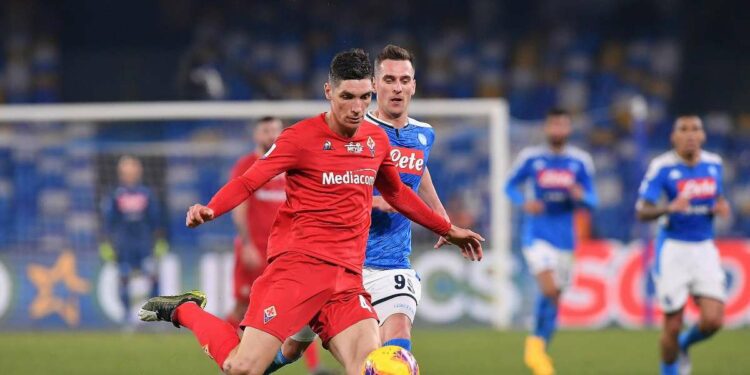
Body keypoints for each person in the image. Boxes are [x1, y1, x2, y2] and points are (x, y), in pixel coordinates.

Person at [138, 49, 483, 375]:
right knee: (240, 367)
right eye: (348, 96)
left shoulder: (374, 142)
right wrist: (211, 208)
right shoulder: (300, 138)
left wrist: (448, 229)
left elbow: (397, 194)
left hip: (346, 282)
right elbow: (248, 181)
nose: (357, 107)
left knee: (370, 366)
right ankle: (185, 310)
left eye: (364, 97)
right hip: (296, 273)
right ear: (329, 92)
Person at [264, 44, 450, 373]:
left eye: (404, 80)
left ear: (414, 85)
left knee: (395, 338)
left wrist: (440, 214)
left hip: (392, 263)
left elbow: (419, 170)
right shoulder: (356, 132)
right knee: (291, 348)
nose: (397, 87)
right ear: (374, 85)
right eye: (389, 79)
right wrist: (376, 201)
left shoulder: (424, 134)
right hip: (339, 263)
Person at [226, 116, 326, 374]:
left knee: (301, 306)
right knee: (242, 306)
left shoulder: (290, 163)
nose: (271, 134)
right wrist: (246, 244)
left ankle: (314, 367)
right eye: (266, 130)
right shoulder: (247, 165)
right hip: (255, 249)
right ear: (256, 135)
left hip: (285, 250)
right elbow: (239, 206)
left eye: (275, 130)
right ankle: (229, 355)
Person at [504, 108, 597, 375]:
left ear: (568, 129)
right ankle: (536, 348)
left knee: (555, 296)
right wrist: (524, 202)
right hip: (537, 236)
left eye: (562, 125)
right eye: (553, 125)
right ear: (547, 128)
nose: (558, 130)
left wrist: (580, 195)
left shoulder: (580, 162)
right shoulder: (532, 158)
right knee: (548, 288)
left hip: (566, 240)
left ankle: (538, 347)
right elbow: (509, 186)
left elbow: (593, 201)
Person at [636, 115, 729, 375]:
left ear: (703, 136)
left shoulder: (714, 164)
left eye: (695, 129)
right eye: (683, 130)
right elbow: (642, 211)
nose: (689, 134)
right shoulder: (662, 167)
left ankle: (684, 347)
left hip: (704, 249)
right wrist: (668, 208)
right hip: (673, 250)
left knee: (712, 320)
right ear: (673, 137)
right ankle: (670, 371)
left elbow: (717, 197)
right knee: (673, 325)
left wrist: (720, 206)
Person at [100, 155, 166, 323]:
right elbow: (109, 221)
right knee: (123, 279)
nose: (130, 172)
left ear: (139, 171)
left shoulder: (147, 193)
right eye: (126, 169)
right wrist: (107, 243)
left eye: (133, 168)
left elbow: (156, 219)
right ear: (121, 172)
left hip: (145, 244)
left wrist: (158, 241)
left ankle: (155, 316)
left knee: (153, 277)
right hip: (124, 245)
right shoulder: (115, 194)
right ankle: (126, 318)